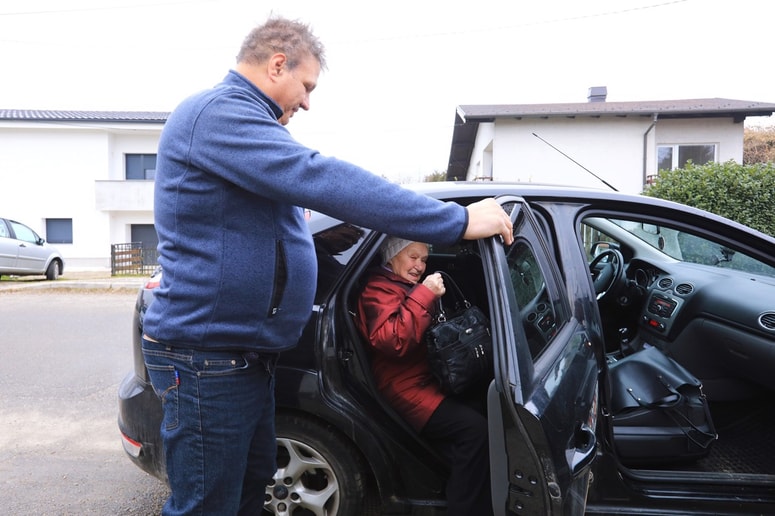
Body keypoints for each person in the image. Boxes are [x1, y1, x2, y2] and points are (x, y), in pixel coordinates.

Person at [141, 16, 512, 515]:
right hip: (208, 360)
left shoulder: (245, 123)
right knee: (208, 506)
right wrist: (456, 221)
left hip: (241, 359)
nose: (307, 102)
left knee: (248, 494)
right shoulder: (219, 115)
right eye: (307, 86)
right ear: (278, 65)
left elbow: (261, 224)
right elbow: (318, 177)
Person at [356, 237, 494, 516]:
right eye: (412, 257)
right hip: (405, 387)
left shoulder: (398, 283)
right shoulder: (378, 289)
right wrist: (425, 294)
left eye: (424, 259)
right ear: (392, 257)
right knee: (475, 431)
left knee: (483, 406)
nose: (419, 266)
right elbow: (393, 341)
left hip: (423, 377)